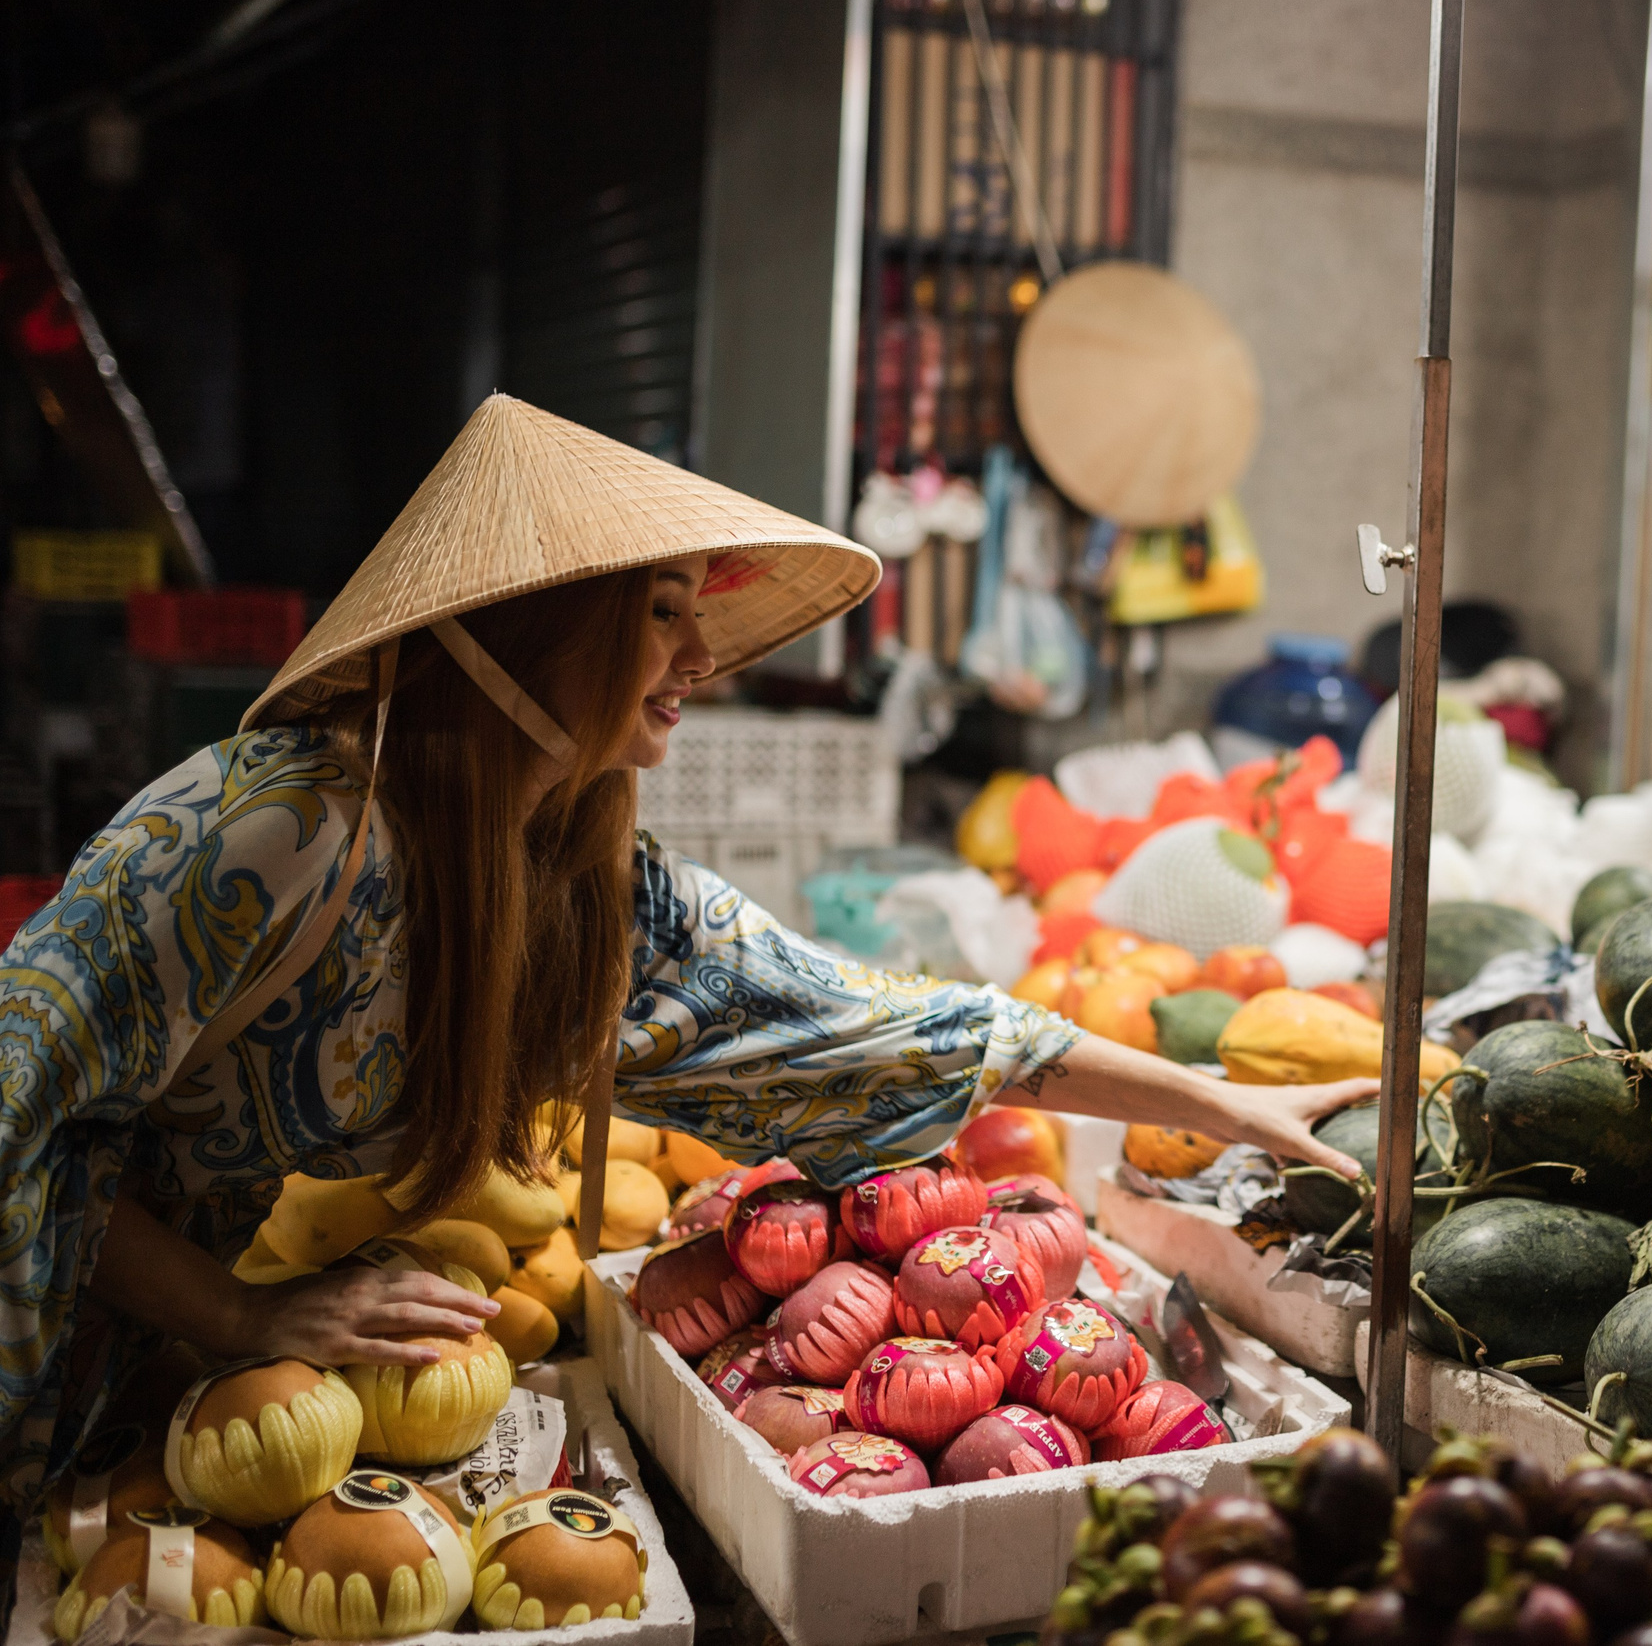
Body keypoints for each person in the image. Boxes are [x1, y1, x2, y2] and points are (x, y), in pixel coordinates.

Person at [0, 395, 1373, 1518]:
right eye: (660, 610)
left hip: (154, 1390)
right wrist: (240, 1321)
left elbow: (886, 1024)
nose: (703, 654)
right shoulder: (266, 832)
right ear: (535, 629)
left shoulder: (590, 887)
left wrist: (1226, 1105)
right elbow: (17, 1107)